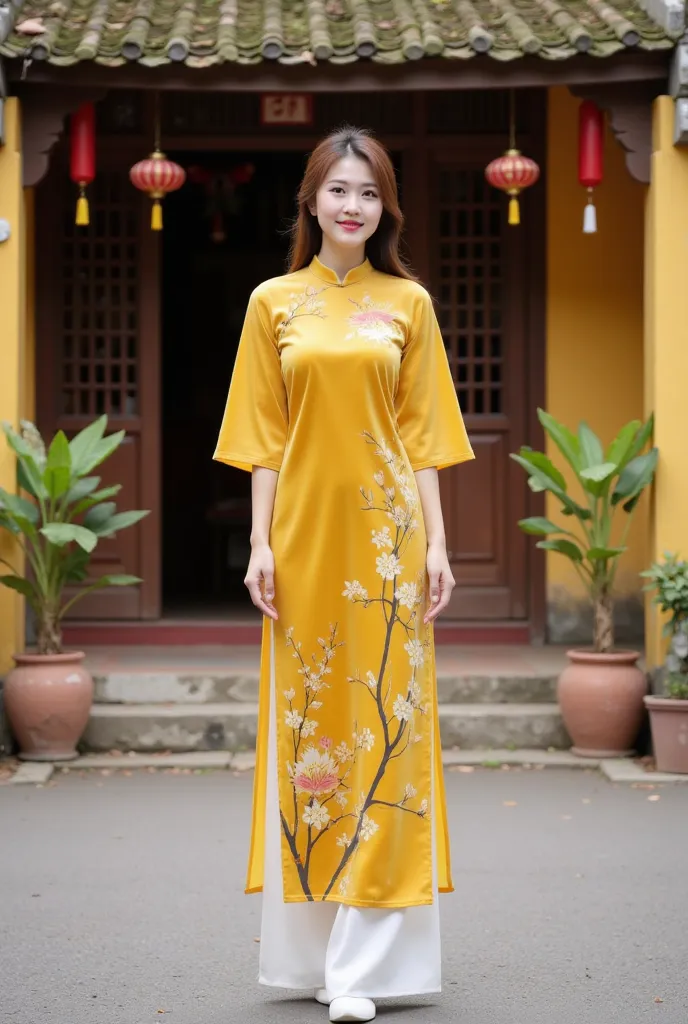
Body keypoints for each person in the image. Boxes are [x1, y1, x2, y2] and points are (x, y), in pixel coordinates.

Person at [213, 125, 475, 1023]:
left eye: (369, 192)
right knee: (312, 726)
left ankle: (364, 966)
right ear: (312, 201)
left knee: (384, 727)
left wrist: (436, 545)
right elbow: (261, 437)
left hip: (386, 544)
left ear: (384, 207)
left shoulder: (408, 305)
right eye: (339, 190)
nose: (353, 205)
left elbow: (426, 440)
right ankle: (317, 951)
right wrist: (259, 542)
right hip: (304, 544)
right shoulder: (271, 302)